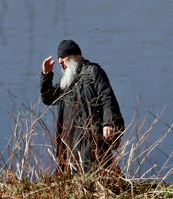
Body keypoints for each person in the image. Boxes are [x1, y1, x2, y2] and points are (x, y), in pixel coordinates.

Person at [39, 39, 124, 176]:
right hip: (69, 138)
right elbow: (48, 99)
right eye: (58, 58)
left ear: (75, 56)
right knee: (69, 176)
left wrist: (108, 123)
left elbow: (107, 97)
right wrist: (47, 75)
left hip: (90, 135)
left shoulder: (93, 72)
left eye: (63, 57)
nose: (60, 61)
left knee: (98, 172)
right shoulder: (66, 80)